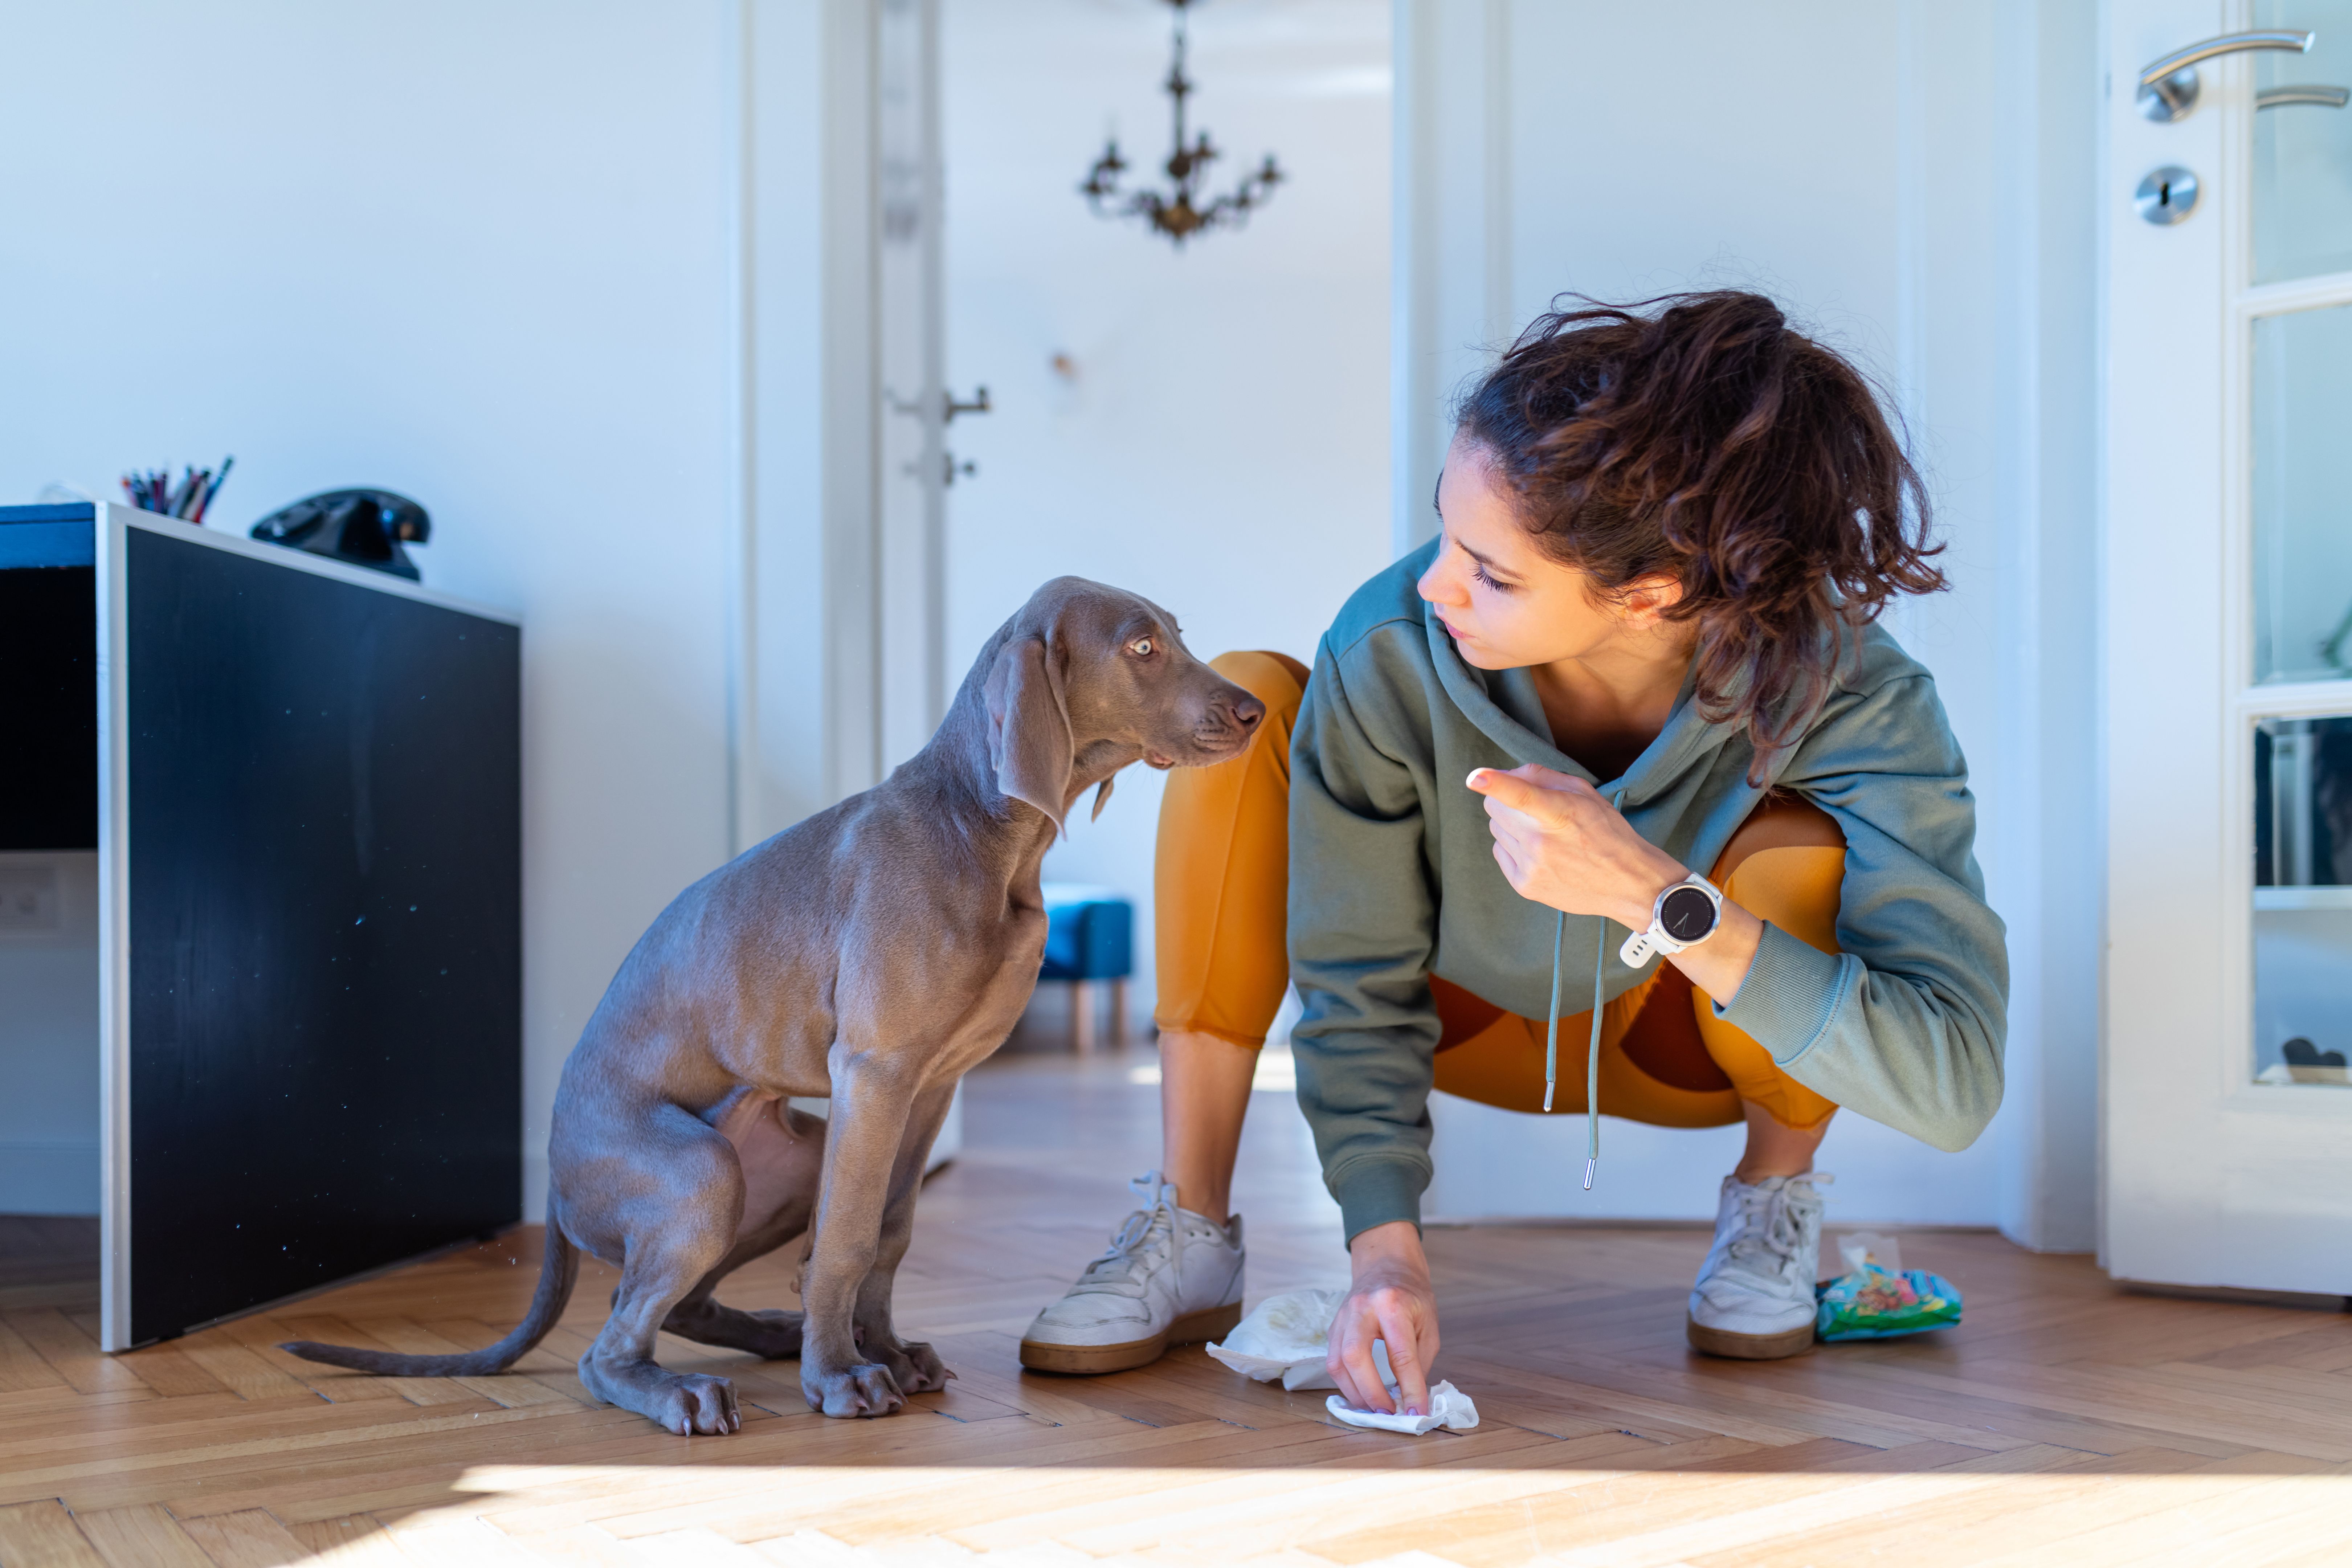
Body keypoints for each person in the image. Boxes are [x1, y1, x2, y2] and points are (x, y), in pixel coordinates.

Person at [1017, 292, 2008, 1413]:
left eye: (1490, 573)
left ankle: (1771, 1202)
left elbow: (1955, 1087)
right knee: (1247, 699)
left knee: (1799, 850)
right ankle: (1189, 1220)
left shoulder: (1860, 699)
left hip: (1679, 1051)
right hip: (1462, 1015)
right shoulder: (1394, 642)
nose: (1434, 586)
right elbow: (1355, 978)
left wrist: (1652, 892)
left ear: (1650, 597)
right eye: (1446, 530)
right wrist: (1384, 1253)